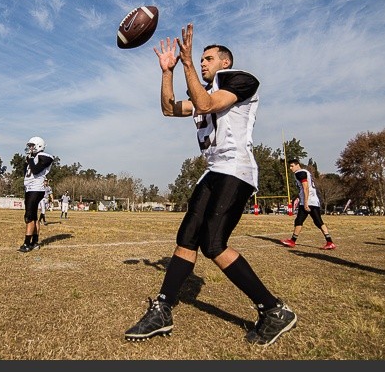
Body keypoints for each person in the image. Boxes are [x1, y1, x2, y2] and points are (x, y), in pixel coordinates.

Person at [124, 23, 296, 346]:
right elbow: (168, 109)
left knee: (213, 243)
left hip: (236, 170)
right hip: (214, 170)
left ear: (225, 62)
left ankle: (274, 309)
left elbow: (206, 104)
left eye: (208, 58)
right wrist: (167, 72)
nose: (202, 63)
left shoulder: (240, 80)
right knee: (187, 238)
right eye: (200, 59)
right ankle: (163, 310)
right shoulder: (202, 90)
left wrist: (187, 63)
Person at [280, 159, 336, 249]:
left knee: (299, 220)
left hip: (308, 201)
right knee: (318, 222)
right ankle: (330, 242)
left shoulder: (299, 173)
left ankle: (292, 241)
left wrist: (305, 203)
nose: (290, 168)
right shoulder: (306, 172)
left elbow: (305, 187)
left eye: (292, 166)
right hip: (314, 200)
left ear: (297, 165)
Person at [18, 136, 54, 253]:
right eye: (29, 146)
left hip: (36, 189)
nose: (30, 148)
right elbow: (26, 173)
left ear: (39, 145)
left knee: (29, 217)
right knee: (32, 217)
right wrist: (28, 162)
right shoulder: (32, 158)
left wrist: (30, 160)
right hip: (29, 189)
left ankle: (27, 243)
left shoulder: (44, 156)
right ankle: (35, 242)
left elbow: (36, 170)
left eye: (32, 145)